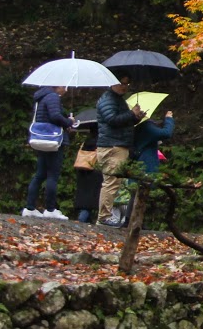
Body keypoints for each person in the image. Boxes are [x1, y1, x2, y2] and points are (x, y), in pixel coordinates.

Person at [95, 80, 143, 226]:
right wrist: (131, 114)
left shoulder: (117, 100)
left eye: (127, 84)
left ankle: (105, 216)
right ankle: (104, 217)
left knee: (115, 182)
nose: (124, 86)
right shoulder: (108, 99)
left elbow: (121, 122)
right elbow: (112, 120)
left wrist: (135, 117)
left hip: (118, 144)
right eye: (121, 83)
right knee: (111, 182)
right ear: (111, 83)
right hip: (112, 145)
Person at [24, 85, 73, 220]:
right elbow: (55, 116)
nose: (66, 89)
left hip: (42, 139)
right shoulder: (52, 96)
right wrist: (68, 122)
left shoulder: (41, 96)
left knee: (40, 174)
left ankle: (30, 207)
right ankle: (50, 209)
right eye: (64, 86)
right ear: (56, 85)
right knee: (52, 175)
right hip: (53, 140)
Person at [72, 119, 102, 224]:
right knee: (91, 197)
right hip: (94, 170)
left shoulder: (87, 141)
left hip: (82, 169)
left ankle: (86, 219)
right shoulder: (100, 141)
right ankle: (83, 219)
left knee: (83, 195)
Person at [132, 108, 176, 176]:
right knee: (147, 183)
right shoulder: (146, 126)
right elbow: (166, 133)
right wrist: (169, 119)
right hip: (147, 162)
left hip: (136, 162)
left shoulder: (132, 126)